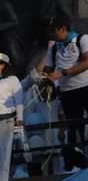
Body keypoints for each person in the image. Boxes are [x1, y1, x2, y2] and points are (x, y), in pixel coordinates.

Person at [38, 15, 88, 168]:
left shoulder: (82, 39)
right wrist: (45, 78)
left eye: (53, 31)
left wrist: (64, 73)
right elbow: (48, 69)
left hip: (85, 86)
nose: (51, 34)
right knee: (73, 127)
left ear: (63, 29)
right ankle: (79, 162)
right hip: (67, 92)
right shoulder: (54, 47)